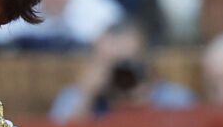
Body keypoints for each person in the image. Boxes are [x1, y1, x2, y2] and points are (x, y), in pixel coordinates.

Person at [49, 19, 197, 119]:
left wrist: (141, 101)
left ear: (145, 63)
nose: (118, 73)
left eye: (125, 63)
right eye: (109, 63)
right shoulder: (77, 97)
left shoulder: (175, 100)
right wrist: (86, 97)